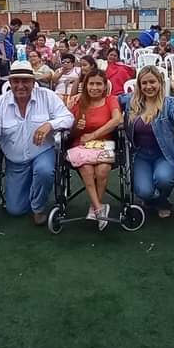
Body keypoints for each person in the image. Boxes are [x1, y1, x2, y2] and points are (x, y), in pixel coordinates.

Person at [0, 61, 74, 224]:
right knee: (15, 210)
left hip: (42, 152)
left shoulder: (47, 96)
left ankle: (38, 208)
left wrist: (50, 124)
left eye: (25, 81)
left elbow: (68, 118)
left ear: (33, 82)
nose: (20, 85)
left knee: (44, 171)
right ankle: (33, 188)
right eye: (16, 81)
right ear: (10, 82)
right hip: (15, 161)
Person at [121, 66, 174, 219]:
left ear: (160, 83)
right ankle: (156, 199)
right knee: (144, 191)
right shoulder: (131, 101)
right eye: (144, 83)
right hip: (141, 155)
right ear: (139, 85)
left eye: (152, 82)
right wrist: (78, 96)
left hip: (164, 155)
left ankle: (162, 201)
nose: (148, 86)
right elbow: (110, 100)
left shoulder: (169, 103)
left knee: (163, 179)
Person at [66, 70, 123, 229]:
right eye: (91, 84)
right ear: (86, 85)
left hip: (104, 143)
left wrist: (93, 135)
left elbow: (117, 120)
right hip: (81, 144)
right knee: (87, 169)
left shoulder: (111, 100)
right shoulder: (78, 102)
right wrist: (77, 127)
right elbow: (69, 131)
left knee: (102, 170)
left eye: (99, 84)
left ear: (105, 86)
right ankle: (98, 208)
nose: (95, 87)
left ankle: (94, 208)